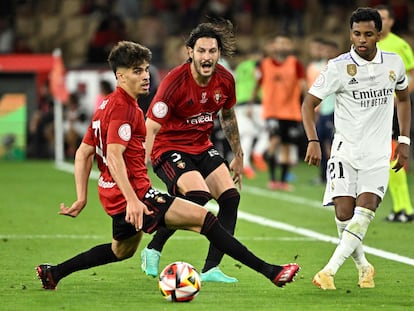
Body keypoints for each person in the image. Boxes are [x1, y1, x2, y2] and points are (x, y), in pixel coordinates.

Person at [36, 40, 300, 290]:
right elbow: (114, 156)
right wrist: (132, 199)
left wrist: (82, 198)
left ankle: (54, 272)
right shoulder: (124, 110)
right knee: (205, 219)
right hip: (134, 194)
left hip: (112, 195)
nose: (145, 76)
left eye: (146, 69)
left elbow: (83, 153)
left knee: (121, 251)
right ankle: (271, 271)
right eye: (137, 71)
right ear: (120, 76)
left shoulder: (106, 105)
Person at [302, 7, 411, 290]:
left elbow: (403, 99)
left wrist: (404, 140)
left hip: (377, 154)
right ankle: (364, 265)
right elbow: (308, 103)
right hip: (344, 152)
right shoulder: (338, 66)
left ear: (379, 34)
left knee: (365, 210)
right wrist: (313, 140)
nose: (362, 39)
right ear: (350, 33)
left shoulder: (394, 63)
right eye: (356, 33)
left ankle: (329, 270)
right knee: (343, 213)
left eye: (368, 34)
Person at [141, 20, 244, 283]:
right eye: (201, 51)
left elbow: (228, 116)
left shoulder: (225, 80)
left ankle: (211, 269)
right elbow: (151, 127)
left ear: (219, 53)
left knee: (230, 198)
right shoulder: (174, 82)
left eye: (212, 51)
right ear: (190, 52)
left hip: (201, 146)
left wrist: (239, 156)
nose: (207, 57)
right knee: (198, 195)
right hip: (168, 147)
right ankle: (153, 248)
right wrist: (139, 167)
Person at [252, 34, 306, 191]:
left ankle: (282, 181)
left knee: (287, 147)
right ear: (273, 46)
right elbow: (257, 84)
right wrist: (251, 104)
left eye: (285, 43)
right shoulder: (265, 64)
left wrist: (308, 105)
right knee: (274, 141)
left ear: (290, 46)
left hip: (291, 112)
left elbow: (303, 86)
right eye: (279, 43)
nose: (282, 46)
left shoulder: (295, 64)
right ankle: (272, 179)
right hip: (272, 111)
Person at [376, 4, 414, 223]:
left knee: (393, 157)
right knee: (386, 159)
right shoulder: (369, 43)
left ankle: (405, 207)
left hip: (393, 108)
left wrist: (398, 97)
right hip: (374, 109)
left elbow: (411, 75)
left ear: (391, 21)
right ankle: (401, 208)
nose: (380, 21)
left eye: (383, 18)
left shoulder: (399, 45)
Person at [234, 49, 268, 179]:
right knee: (268, 130)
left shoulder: (240, 67)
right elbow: (257, 83)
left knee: (247, 135)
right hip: (254, 103)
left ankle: (246, 165)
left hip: (239, 104)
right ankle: (258, 153)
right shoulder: (257, 66)